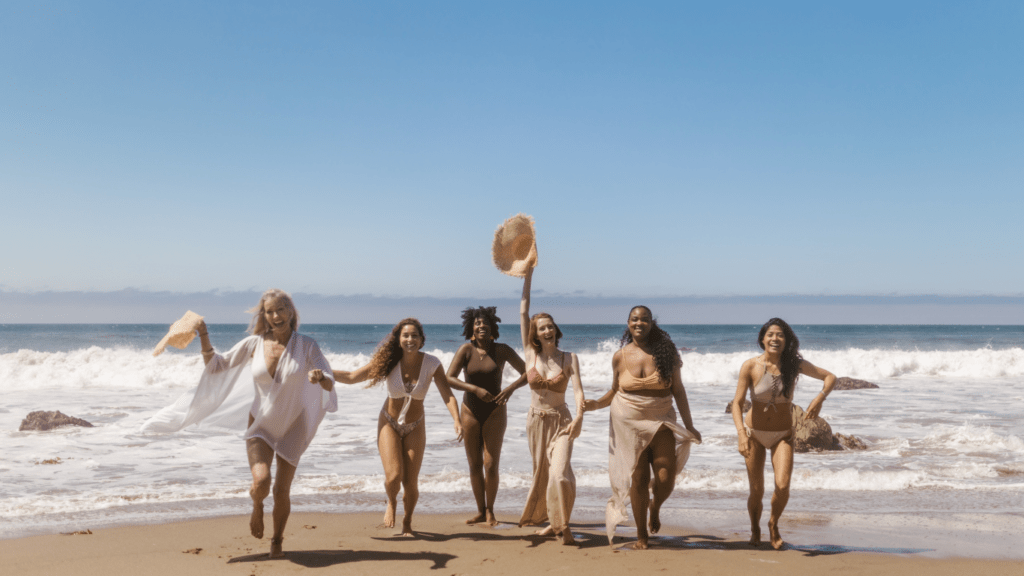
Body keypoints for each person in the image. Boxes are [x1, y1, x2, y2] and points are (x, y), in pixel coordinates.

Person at [142, 289, 338, 559]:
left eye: (281, 309)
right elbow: (217, 366)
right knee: (262, 482)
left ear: (291, 312)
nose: (275, 315)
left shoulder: (307, 345)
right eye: (270, 311)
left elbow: (328, 377)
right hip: (261, 423)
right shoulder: (254, 344)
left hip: (295, 424)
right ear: (264, 315)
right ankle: (257, 506)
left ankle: (277, 541)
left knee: (282, 490)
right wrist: (203, 334)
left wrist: (319, 377)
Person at [310, 319, 465, 536]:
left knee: (410, 483)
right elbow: (354, 377)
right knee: (393, 477)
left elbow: (447, 394)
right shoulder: (389, 361)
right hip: (389, 423)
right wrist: (323, 373)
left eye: (414, 336)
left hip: (415, 425)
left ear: (422, 340)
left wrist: (457, 420)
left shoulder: (432, 364)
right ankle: (391, 502)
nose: (410, 339)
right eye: (405, 335)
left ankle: (408, 524)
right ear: (399, 339)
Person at [584, 306, 701, 549]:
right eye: (634, 319)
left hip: (661, 421)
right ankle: (641, 536)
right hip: (627, 425)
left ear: (652, 323)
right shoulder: (619, 356)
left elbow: (678, 390)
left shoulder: (667, 353)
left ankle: (654, 506)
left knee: (665, 477)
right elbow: (615, 391)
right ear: (628, 323)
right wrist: (596, 404)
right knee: (638, 480)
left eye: (644, 319)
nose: (639, 323)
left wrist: (689, 425)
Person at [493, 267, 585, 544]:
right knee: (543, 475)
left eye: (550, 326)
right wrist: (528, 275)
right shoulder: (531, 354)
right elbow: (523, 311)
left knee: (560, 474)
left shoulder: (570, 358)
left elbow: (579, 392)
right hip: (535, 421)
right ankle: (551, 523)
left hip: (562, 421)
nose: (547, 330)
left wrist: (580, 416)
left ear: (556, 330)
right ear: (536, 333)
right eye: (541, 327)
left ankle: (564, 526)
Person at [730, 317, 836, 550]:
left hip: (783, 435)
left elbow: (830, 377)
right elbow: (737, 403)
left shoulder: (793, 364)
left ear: (786, 340)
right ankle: (755, 528)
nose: (775, 338)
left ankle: (773, 524)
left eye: (780, 335)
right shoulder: (750, 366)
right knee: (756, 491)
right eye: (770, 334)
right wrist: (741, 434)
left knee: (783, 484)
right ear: (762, 339)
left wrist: (819, 398)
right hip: (754, 433)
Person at [447, 306, 526, 525]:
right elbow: (449, 378)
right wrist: (473, 389)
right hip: (470, 411)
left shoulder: (502, 350)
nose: (482, 326)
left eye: (485, 323)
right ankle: (480, 511)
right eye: (477, 323)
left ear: (492, 327)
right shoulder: (466, 350)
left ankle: (490, 510)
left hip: (495, 412)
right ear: (471, 328)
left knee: (491, 464)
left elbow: (528, 373)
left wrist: (509, 389)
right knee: (474, 465)